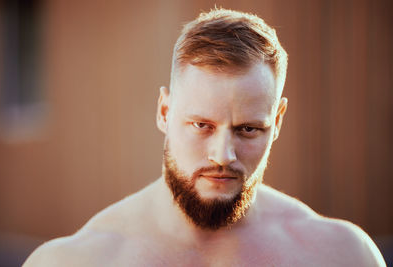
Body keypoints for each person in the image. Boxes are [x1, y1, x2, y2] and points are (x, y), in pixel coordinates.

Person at [24, 8, 386, 266]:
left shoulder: (341, 256)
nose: (223, 155)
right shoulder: (74, 261)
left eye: (248, 129)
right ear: (165, 112)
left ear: (277, 121)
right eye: (202, 125)